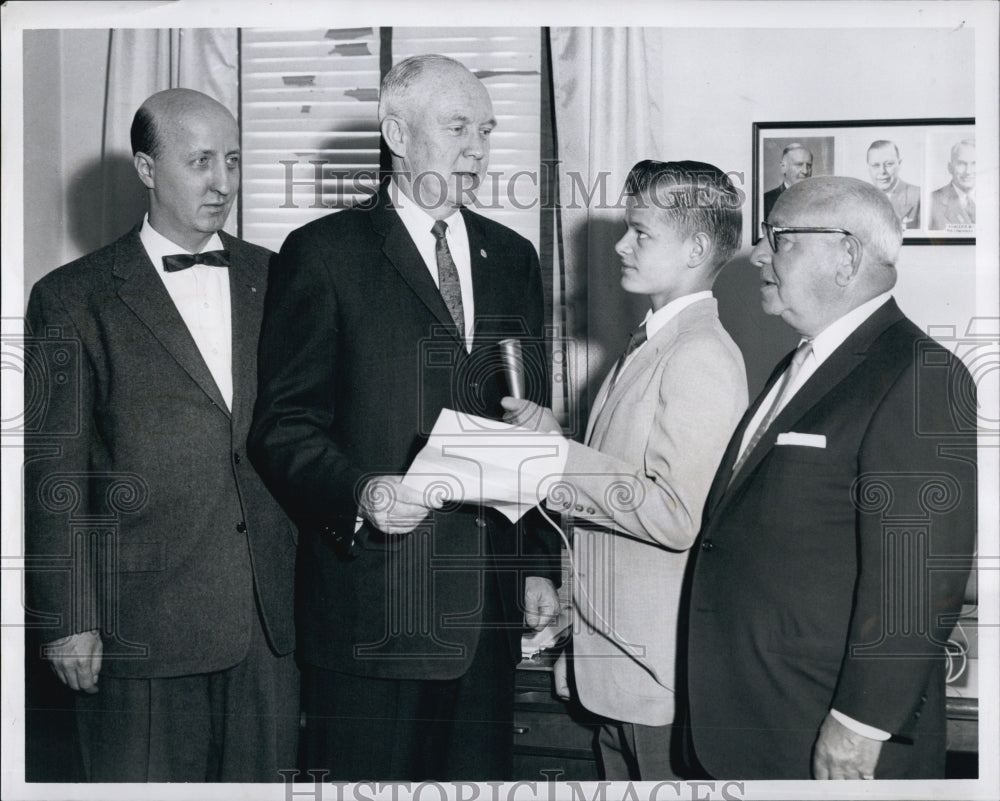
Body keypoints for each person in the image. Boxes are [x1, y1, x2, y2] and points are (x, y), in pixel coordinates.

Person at [248, 54, 560, 780]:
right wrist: (360, 491)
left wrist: (538, 565)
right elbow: (283, 424)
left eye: (484, 130)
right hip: (373, 611)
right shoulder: (323, 253)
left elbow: (526, 422)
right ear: (396, 132)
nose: (478, 149)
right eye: (458, 127)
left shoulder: (513, 256)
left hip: (483, 613)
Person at [23, 88, 299, 782]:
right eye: (201, 160)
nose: (224, 182)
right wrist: (68, 615)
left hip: (267, 628)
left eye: (233, 160)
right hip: (139, 628)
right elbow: (56, 471)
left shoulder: (281, 277)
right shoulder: (71, 296)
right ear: (147, 168)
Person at [684, 176, 976, 779]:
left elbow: (915, 578)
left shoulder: (920, 375)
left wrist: (861, 723)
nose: (759, 255)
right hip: (759, 720)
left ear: (847, 255)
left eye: (780, 238)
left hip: (829, 736)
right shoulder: (799, 364)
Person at [503, 160, 748, 779]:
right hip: (614, 668)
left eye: (640, 232)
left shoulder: (700, 355)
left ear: (695, 248)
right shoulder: (650, 342)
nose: (619, 243)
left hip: (656, 681)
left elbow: (675, 516)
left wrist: (559, 461)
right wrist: (553, 438)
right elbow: (620, 481)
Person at [866, 139, 920, 229]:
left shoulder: (919, 196)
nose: (882, 171)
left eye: (889, 164)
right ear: (868, 167)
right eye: (875, 165)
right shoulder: (860, 199)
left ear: (899, 164)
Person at [930, 139, 976, 229]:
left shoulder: (993, 199)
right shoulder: (930, 202)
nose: (968, 171)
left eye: (974, 164)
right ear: (950, 167)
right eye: (961, 164)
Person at [763, 143, 813, 221]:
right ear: (783, 167)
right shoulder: (765, 202)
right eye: (799, 164)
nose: (805, 171)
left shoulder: (819, 199)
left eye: (809, 165)